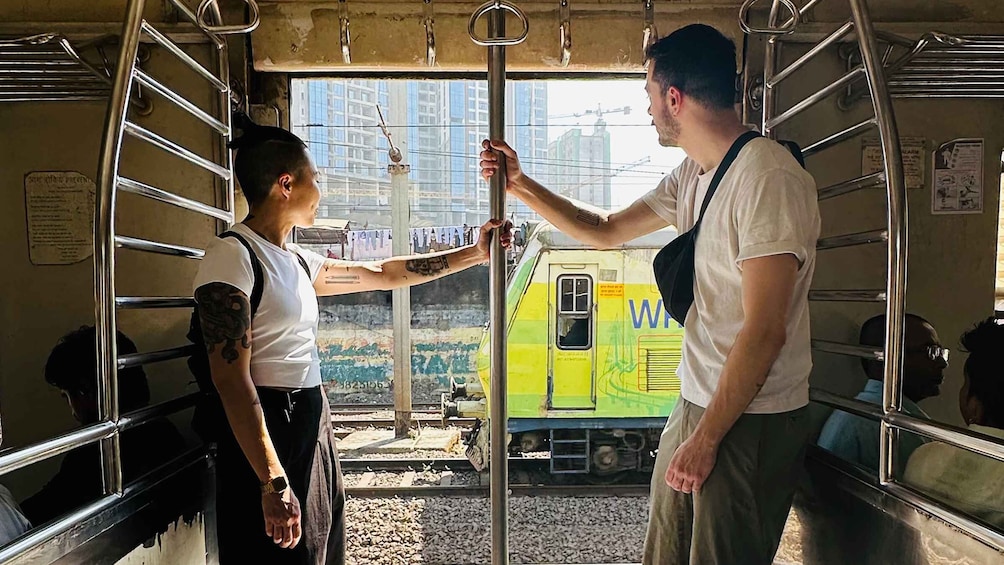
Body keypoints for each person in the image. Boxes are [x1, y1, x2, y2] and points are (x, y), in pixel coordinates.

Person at [480, 23, 820, 565]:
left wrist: (707, 439)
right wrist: (520, 184)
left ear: (674, 98)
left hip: (751, 418)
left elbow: (764, 330)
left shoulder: (767, 178)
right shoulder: (694, 174)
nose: (646, 110)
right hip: (697, 401)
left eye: (648, 95)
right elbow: (604, 228)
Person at [193, 116, 511, 565]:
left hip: (308, 420)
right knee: (274, 555)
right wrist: (272, 481)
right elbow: (231, 380)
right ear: (286, 184)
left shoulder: (297, 260)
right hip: (268, 430)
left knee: (319, 546)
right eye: (314, 179)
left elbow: (384, 272)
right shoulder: (231, 256)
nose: (320, 191)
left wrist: (475, 253)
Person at [19, 326, 186, 526]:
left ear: (83, 392)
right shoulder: (165, 433)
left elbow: (44, 509)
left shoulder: (95, 453)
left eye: (67, 396)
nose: (72, 410)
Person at [904, 316, 1004, 529]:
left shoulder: (924, 459)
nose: (941, 363)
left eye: (964, 385)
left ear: (974, 405)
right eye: (931, 352)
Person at [817, 314, 947, 474]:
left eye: (940, 352)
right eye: (930, 352)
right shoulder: (885, 424)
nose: (942, 363)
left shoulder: (865, 414)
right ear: (882, 359)